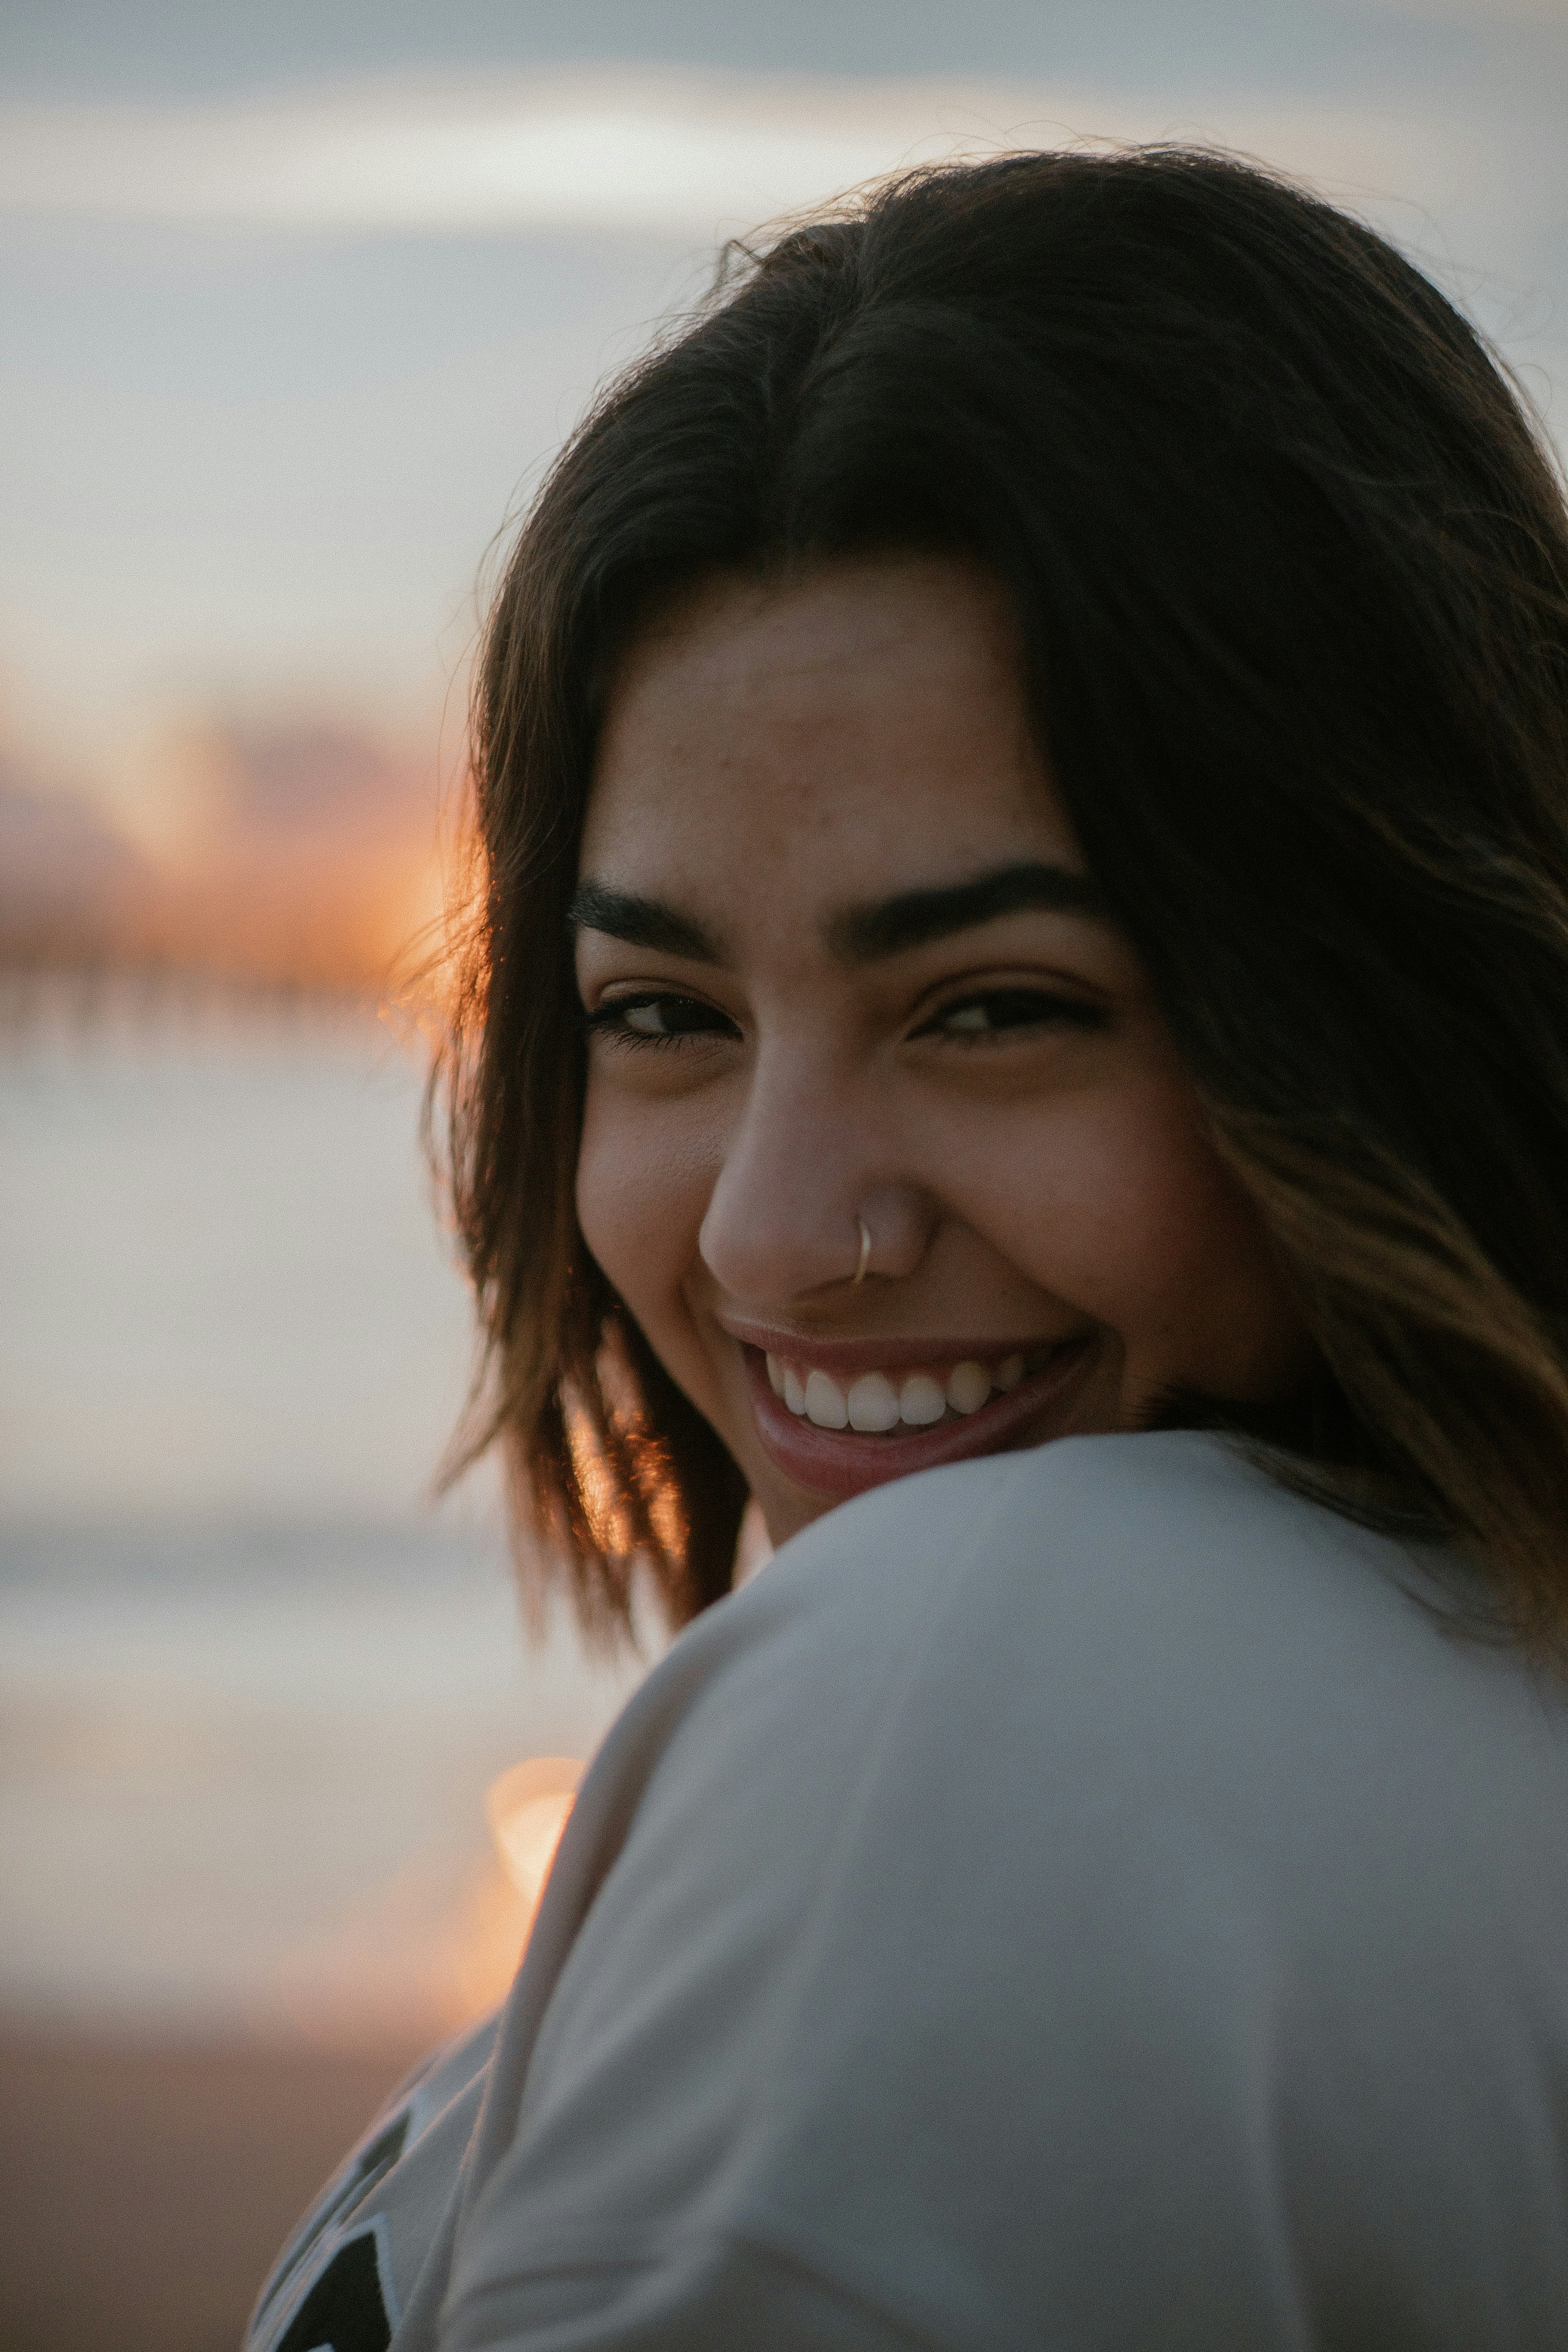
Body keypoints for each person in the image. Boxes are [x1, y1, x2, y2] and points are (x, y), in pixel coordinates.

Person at [247, 148, 1568, 2351]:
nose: (776, 1230)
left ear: (1388, 1002)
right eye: (660, 1013)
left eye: (1000, 1008)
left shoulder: (985, 1705)